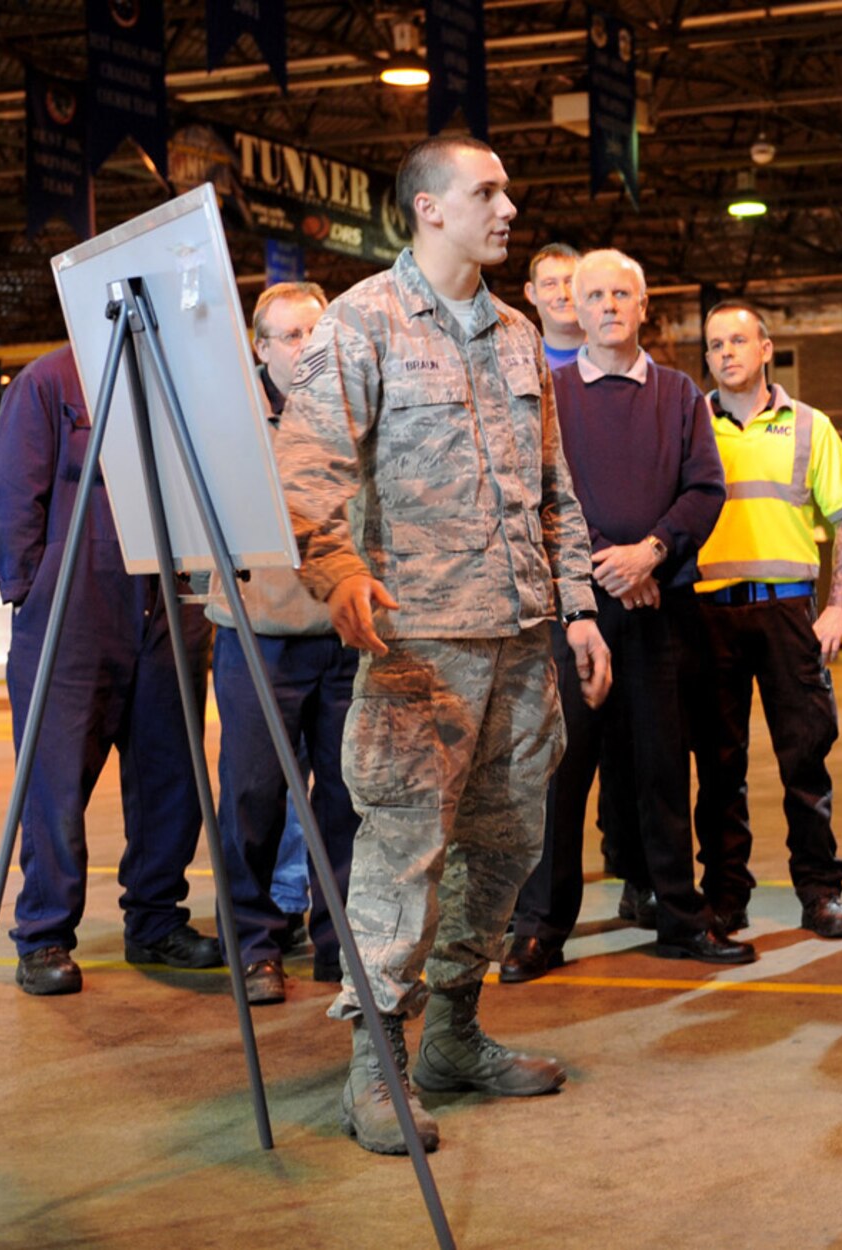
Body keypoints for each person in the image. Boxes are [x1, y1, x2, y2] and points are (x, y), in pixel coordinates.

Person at [275, 134, 611, 1156]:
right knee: (401, 855)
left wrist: (581, 604)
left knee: (506, 846)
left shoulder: (516, 335)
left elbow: (554, 487)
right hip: (420, 642)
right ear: (429, 207)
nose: (507, 207)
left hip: (520, 635)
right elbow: (305, 477)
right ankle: (374, 1069)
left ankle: (454, 1036)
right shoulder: (360, 322)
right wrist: (336, 575)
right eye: (487, 191)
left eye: (505, 189)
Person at [503, 248, 749, 976]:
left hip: (661, 613)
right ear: (573, 309)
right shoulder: (547, 397)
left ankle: (679, 916)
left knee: (662, 768)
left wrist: (653, 551)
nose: (609, 306)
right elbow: (536, 497)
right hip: (574, 617)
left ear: (644, 307)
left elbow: (705, 489)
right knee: (560, 771)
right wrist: (607, 566)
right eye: (595, 295)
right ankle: (541, 926)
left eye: (623, 294)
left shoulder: (678, 395)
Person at [0, 346, 222, 996]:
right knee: (56, 779)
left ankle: (154, 919)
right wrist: (30, 587)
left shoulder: (175, 374)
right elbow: (10, 491)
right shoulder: (49, 380)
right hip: (74, 603)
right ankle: (44, 936)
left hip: (168, 600)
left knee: (171, 774)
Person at [691, 301, 842, 940]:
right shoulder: (691, 427)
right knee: (718, 766)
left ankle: (820, 893)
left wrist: (840, 606)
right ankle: (726, 897)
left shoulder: (810, 426)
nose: (727, 352)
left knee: (806, 760)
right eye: (715, 345)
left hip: (791, 612)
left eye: (739, 340)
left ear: (766, 349)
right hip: (709, 612)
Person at [211, 280, 363, 1006]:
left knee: (346, 799)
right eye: (293, 336)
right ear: (262, 348)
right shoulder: (231, 423)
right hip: (258, 637)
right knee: (252, 796)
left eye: (318, 332)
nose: (308, 348)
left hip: (344, 635)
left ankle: (341, 947)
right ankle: (255, 945)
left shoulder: (359, 415)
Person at [524, 242, 583, 372]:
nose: (562, 294)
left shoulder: (613, 357)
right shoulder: (522, 368)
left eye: (570, 282)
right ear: (531, 293)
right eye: (550, 284)